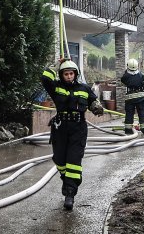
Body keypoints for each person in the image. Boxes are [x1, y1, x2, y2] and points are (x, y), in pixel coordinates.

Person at [41, 58, 105, 211]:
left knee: (73, 161)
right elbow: (45, 78)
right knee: (60, 160)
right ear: (61, 75)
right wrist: (57, 64)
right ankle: (67, 180)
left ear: (75, 74)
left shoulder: (84, 88)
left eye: (71, 73)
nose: (69, 76)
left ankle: (70, 194)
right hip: (60, 128)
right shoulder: (56, 87)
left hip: (78, 129)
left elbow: (93, 102)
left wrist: (96, 106)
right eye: (66, 74)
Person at [121, 58, 144, 135]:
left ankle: (128, 130)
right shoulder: (142, 75)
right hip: (141, 97)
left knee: (129, 114)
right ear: (137, 66)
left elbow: (123, 81)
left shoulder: (125, 76)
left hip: (130, 98)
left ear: (128, 66)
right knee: (142, 113)